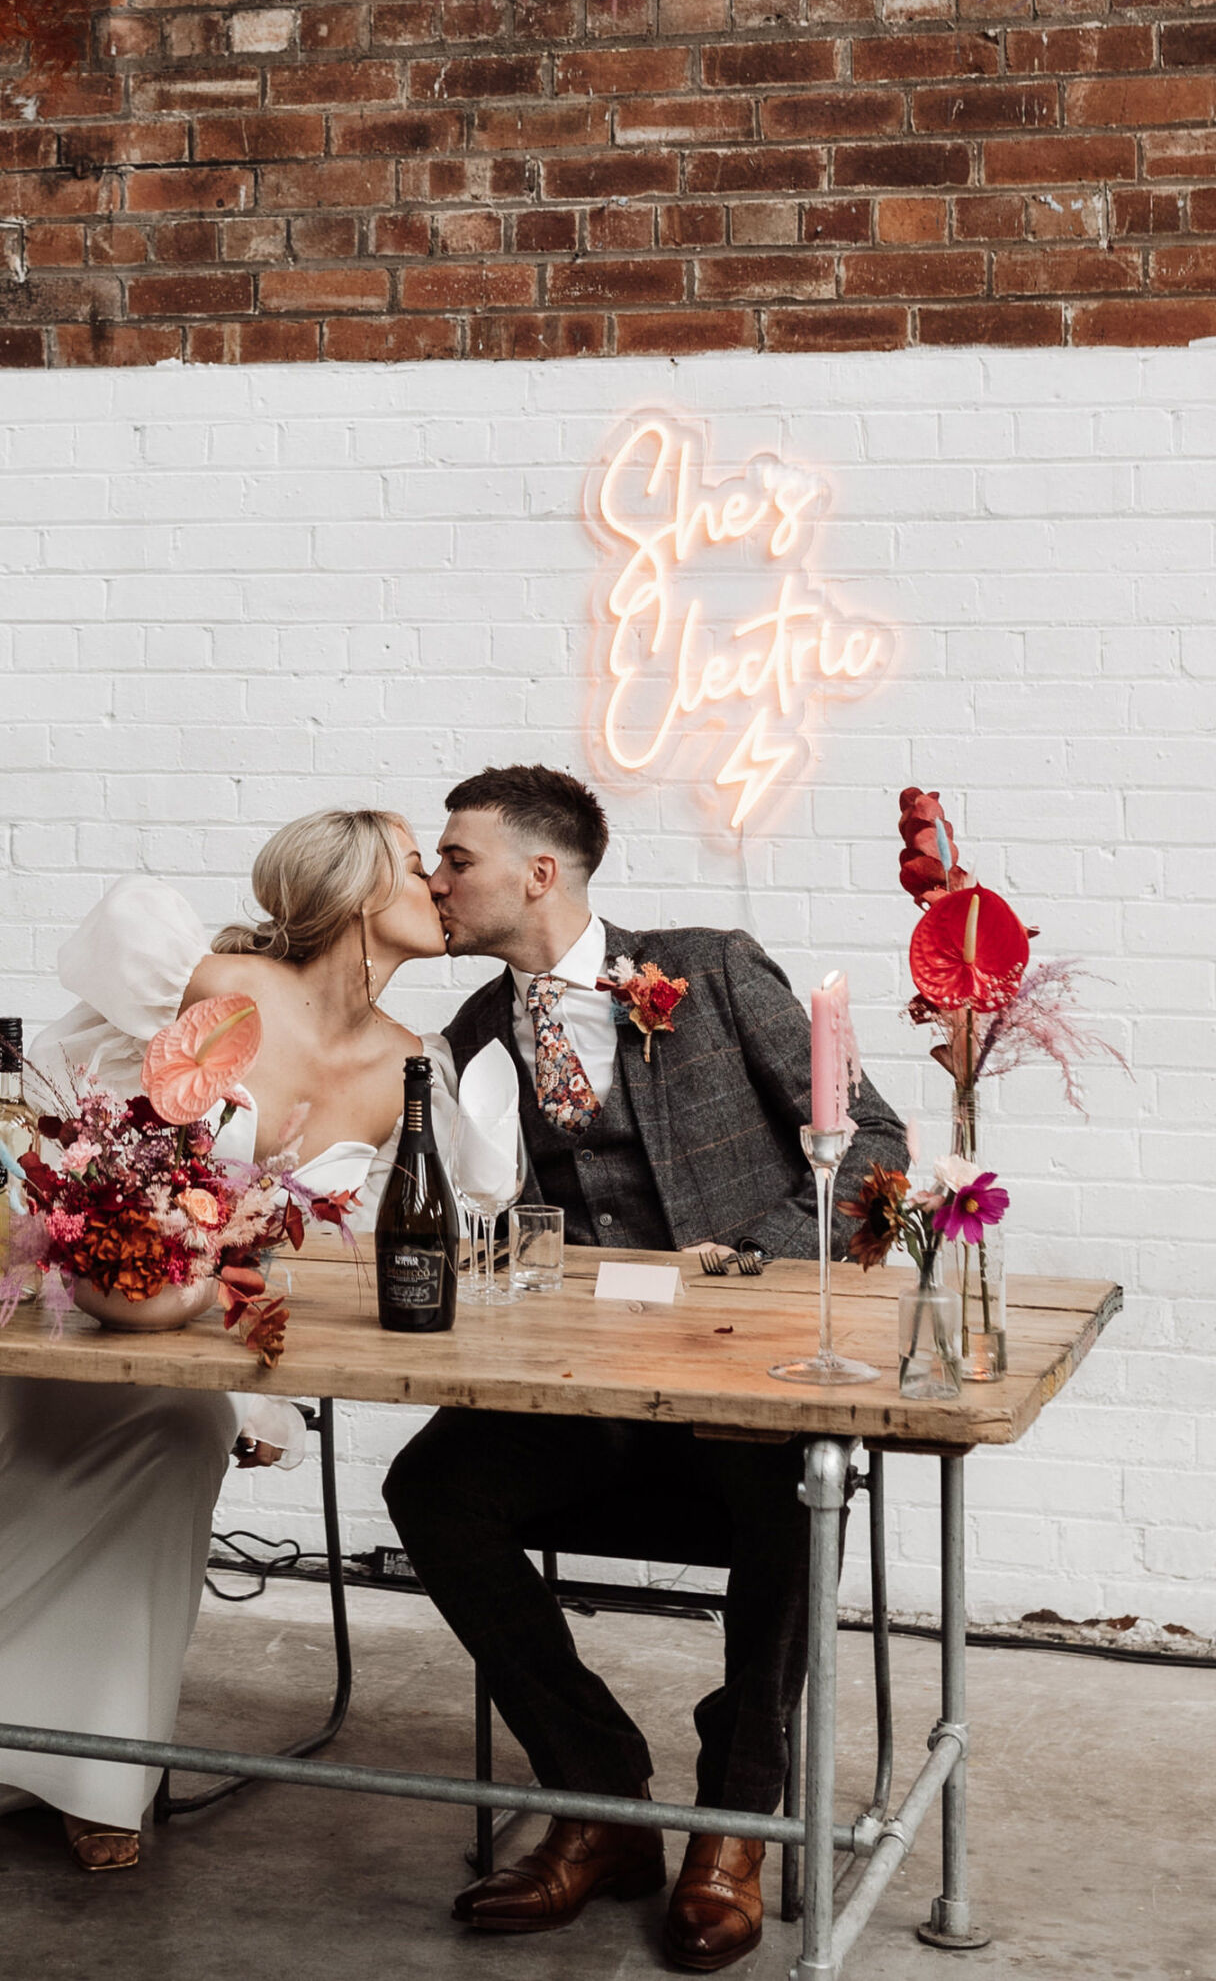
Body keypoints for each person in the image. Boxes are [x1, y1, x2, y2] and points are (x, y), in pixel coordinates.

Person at [0, 809, 450, 1871]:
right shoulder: (224, 987)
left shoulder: (411, 1064)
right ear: (363, 891)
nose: (439, 883)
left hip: (228, 1336)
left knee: (184, 1433)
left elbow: (350, 1256)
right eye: (419, 865)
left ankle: (97, 1767)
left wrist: (260, 1364)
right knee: (118, 1445)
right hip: (92, 1300)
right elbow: (90, 1156)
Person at [385, 764, 906, 1974]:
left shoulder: (711, 968)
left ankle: (734, 1819)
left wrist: (751, 1264)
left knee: (791, 1484)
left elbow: (870, 1139)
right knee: (432, 1489)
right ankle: (599, 1795)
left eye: (454, 859)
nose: (435, 880)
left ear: (539, 871)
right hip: (586, 1389)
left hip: (747, 1376)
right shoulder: (471, 1035)